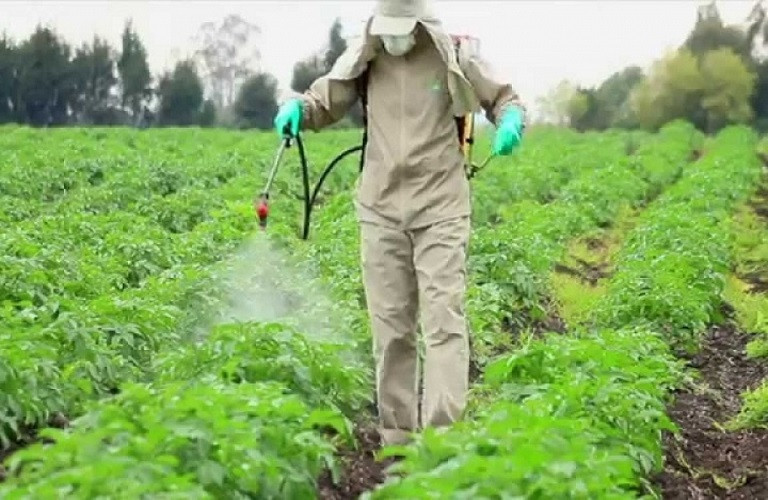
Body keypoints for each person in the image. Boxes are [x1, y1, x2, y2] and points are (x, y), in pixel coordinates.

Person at [273, 0, 526, 446]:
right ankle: (397, 440)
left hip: (440, 205)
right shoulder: (364, 56)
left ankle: (443, 441)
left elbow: (504, 98)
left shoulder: (455, 55)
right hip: (380, 206)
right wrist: (298, 109)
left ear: (422, 24)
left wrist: (510, 123)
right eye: (387, 28)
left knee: (444, 320)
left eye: (403, 28)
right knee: (390, 326)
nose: (395, 37)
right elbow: (323, 101)